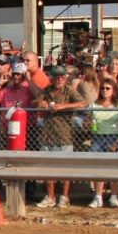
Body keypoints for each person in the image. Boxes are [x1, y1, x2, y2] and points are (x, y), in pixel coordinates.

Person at [33, 66, 84, 208]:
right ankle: (50, 196)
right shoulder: (47, 90)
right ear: (52, 78)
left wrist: (63, 106)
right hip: (47, 135)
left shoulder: (69, 90)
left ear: (65, 78)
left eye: (62, 77)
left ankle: (65, 197)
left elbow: (82, 103)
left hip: (64, 135)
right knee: (47, 169)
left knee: (65, 169)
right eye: (57, 77)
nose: (59, 79)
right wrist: (40, 103)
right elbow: (35, 101)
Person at [86, 79, 118, 208]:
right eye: (102, 88)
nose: (104, 90)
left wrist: (117, 143)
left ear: (113, 90)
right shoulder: (94, 105)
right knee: (97, 168)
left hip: (114, 137)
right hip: (97, 137)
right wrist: (87, 124)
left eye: (107, 88)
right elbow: (87, 122)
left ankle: (114, 196)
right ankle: (98, 197)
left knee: (114, 168)